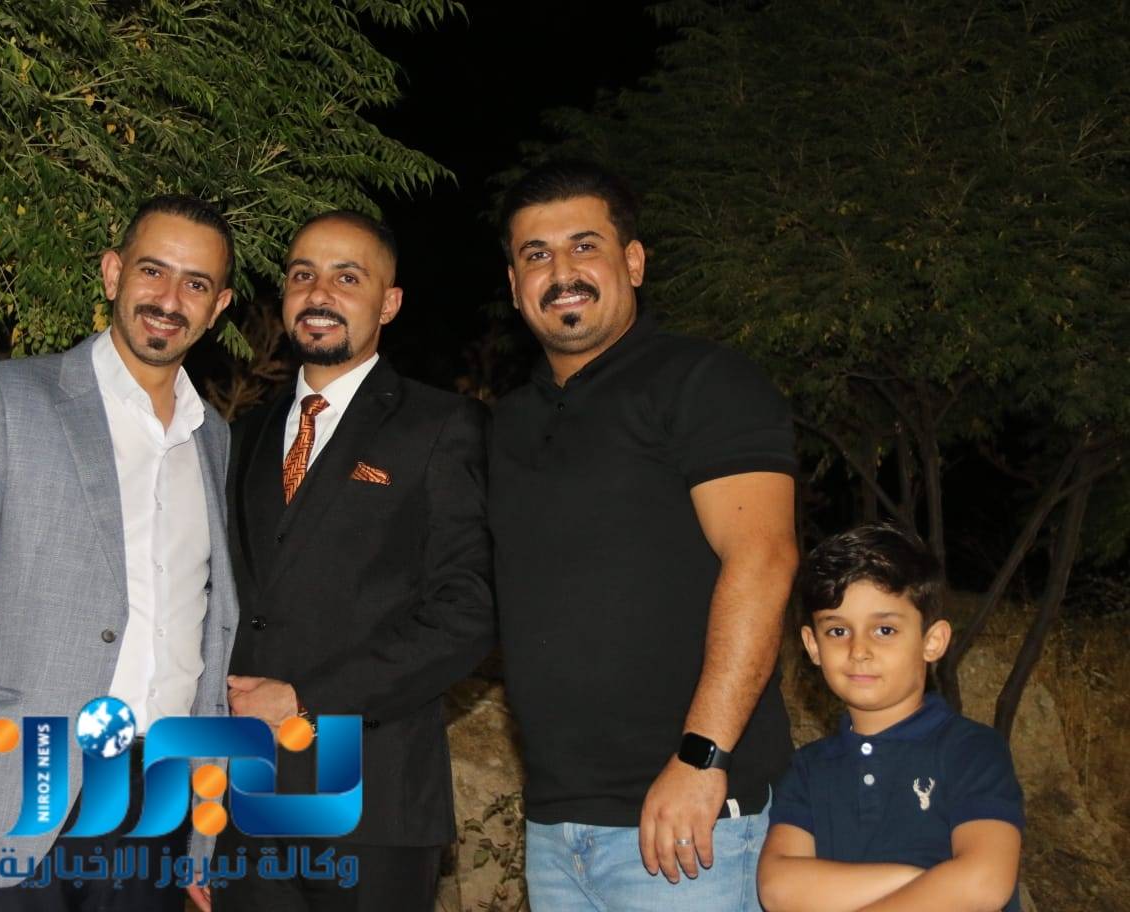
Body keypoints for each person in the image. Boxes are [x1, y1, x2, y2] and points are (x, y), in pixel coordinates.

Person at [0, 195, 242, 910]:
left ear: (218, 308)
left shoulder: (214, 441)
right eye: (152, 270)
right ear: (113, 272)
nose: (169, 300)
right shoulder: (4, 398)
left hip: (156, 804)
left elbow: (208, 631)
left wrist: (203, 833)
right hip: (13, 784)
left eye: (195, 284)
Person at [489, 160, 800, 910]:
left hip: (692, 822)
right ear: (515, 284)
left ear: (632, 261)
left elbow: (762, 558)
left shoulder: (703, 381)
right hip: (556, 825)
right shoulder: (506, 424)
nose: (561, 272)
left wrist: (702, 756)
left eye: (584, 246)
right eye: (537, 254)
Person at [188, 210, 494, 912]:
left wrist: (304, 700)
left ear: (389, 303)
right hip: (244, 812)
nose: (319, 292)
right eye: (303, 275)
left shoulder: (441, 427)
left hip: (374, 808)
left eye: (347, 278)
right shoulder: (243, 435)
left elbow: (468, 612)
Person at [757, 523, 1024, 912]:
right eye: (837, 631)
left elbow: (984, 881)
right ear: (813, 646)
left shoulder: (971, 750)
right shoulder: (809, 768)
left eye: (884, 629)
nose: (858, 650)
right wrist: (928, 881)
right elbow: (778, 888)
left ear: (932, 641)